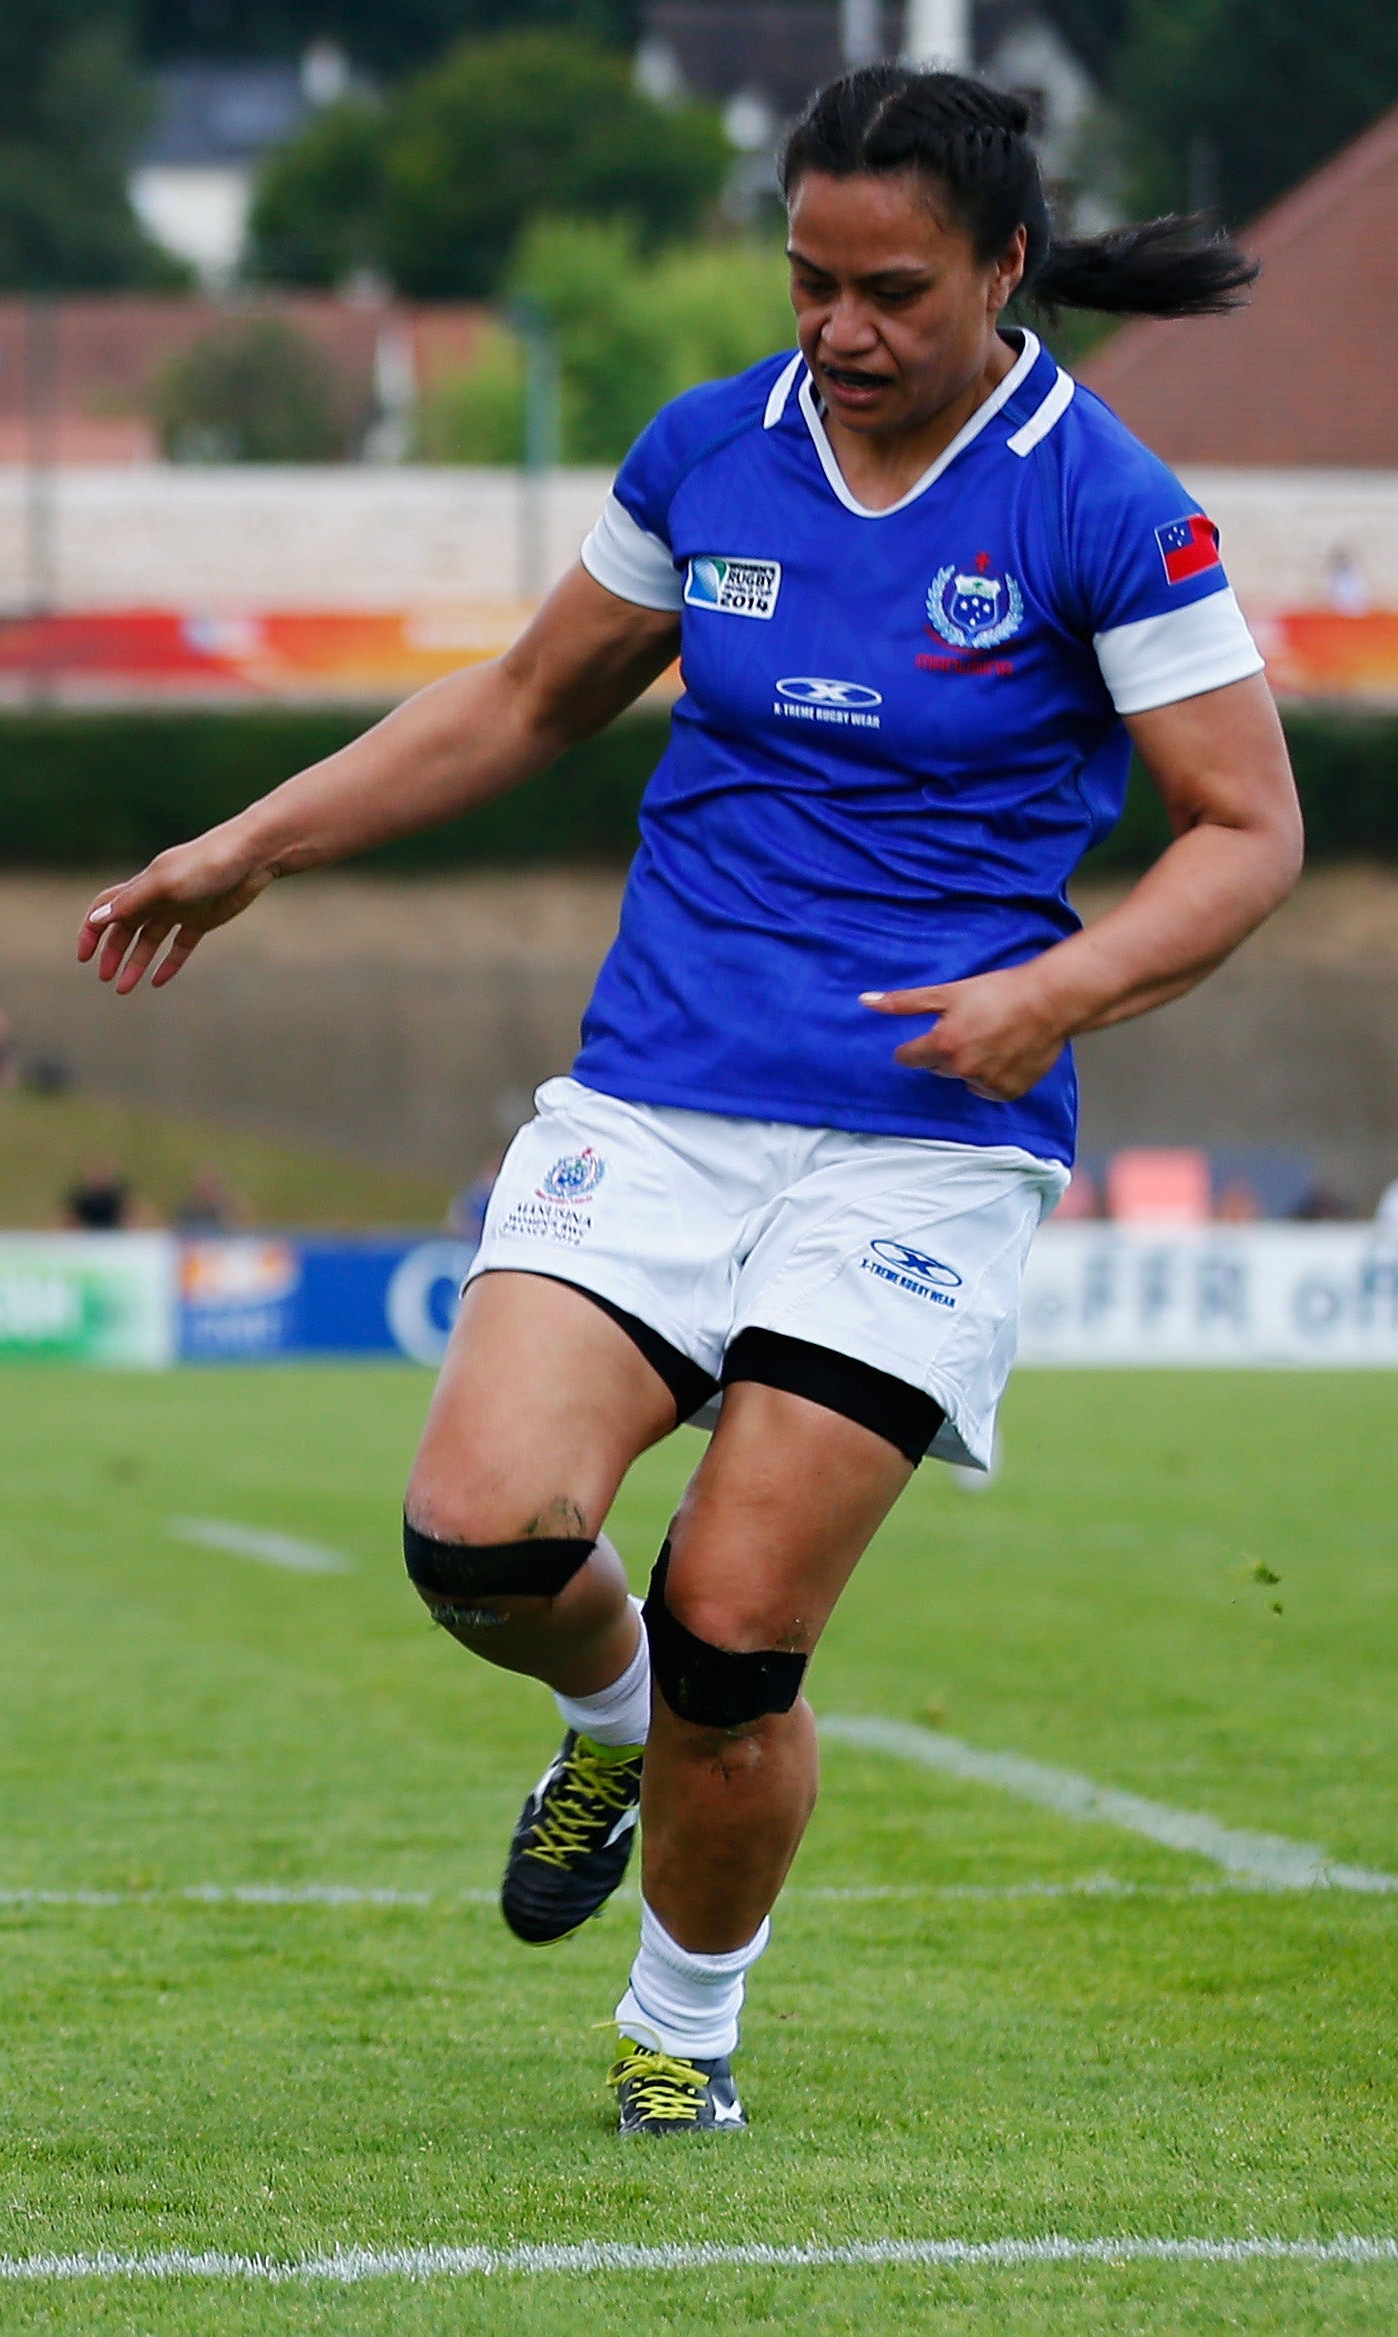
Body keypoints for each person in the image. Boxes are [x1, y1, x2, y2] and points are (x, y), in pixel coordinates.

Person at [75, 67, 1295, 2137]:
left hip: (919, 1136)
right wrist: (250, 844)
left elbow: (1243, 830)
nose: (836, 330)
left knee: (741, 1632)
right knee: (475, 1536)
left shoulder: (1102, 502)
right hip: (656, 1098)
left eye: (889, 289)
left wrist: (1059, 988)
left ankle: (678, 2031)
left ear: (1006, 271)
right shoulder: (705, 451)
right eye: (806, 280)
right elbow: (526, 697)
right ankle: (602, 1716)